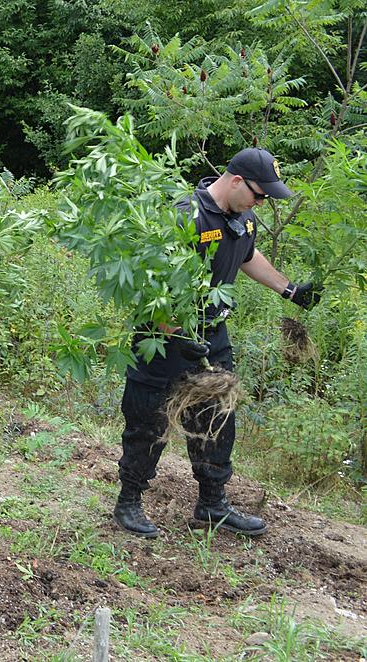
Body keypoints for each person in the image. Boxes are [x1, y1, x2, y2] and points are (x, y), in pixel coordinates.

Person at [114, 147, 322, 539]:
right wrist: (176, 333)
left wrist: (290, 290)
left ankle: (211, 504)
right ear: (238, 180)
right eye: (260, 194)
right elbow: (148, 286)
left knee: (218, 419)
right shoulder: (183, 216)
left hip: (212, 336)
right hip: (164, 338)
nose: (261, 203)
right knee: (149, 420)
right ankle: (129, 502)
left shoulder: (242, 217)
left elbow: (247, 255)